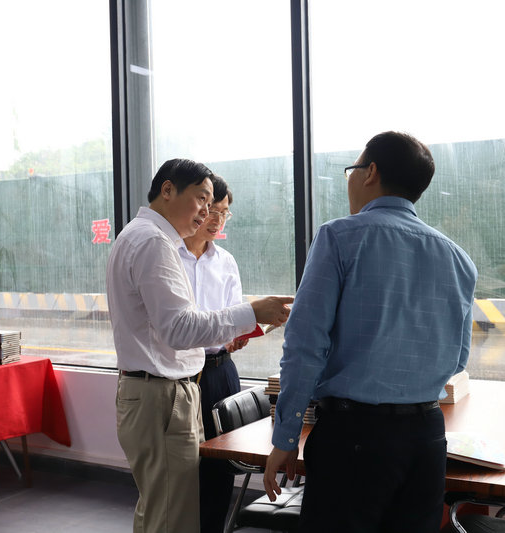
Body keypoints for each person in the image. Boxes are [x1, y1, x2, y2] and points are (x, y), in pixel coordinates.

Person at [263, 132, 478, 532]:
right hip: (427, 438)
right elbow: (458, 360)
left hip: (354, 438)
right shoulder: (458, 258)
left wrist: (286, 437)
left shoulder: (339, 237)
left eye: (353, 169)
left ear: (371, 172)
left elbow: (305, 347)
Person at [106, 158, 293, 533]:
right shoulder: (154, 243)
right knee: (172, 514)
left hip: (168, 388)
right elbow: (180, 329)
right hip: (163, 393)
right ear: (168, 190)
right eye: (202, 199)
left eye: (215, 206)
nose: (207, 213)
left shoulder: (143, 236)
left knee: (164, 506)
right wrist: (253, 312)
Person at [177, 175, 248, 533]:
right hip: (186, 373)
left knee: (221, 467)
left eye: (224, 213)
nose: (217, 220)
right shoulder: (169, 257)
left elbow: (234, 314)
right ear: (197, 209)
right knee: (184, 467)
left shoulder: (225, 261)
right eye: (212, 210)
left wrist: (239, 335)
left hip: (222, 370)